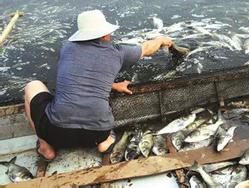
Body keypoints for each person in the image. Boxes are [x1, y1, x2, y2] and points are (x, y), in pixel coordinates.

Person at [23, 10, 173, 161]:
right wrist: (161, 40)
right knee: (102, 133)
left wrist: (113, 85)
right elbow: (147, 48)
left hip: (56, 131)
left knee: (32, 85)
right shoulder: (117, 53)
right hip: (97, 133)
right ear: (105, 34)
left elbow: (82, 74)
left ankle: (46, 147)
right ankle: (105, 143)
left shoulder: (67, 48)